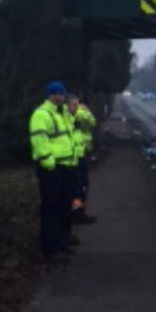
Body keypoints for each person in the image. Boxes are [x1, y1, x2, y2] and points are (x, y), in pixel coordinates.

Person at [29, 82, 75, 262]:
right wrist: (49, 165)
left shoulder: (61, 113)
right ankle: (50, 249)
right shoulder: (42, 114)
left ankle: (60, 243)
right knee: (51, 210)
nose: (58, 97)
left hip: (65, 167)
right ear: (48, 96)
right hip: (52, 169)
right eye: (54, 94)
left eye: (61, 94)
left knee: (64, 208)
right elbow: (39, 141)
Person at [66, 93, 99, 225]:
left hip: (81, 155)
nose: (77, 107)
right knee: (78, 189)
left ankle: (79, 212)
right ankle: (76, 213)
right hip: (74, 159)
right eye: (74, 105)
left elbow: (92, 123)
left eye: (77, 104)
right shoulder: (70, 117)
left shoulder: (75, 117)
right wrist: (84, 111)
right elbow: (92, 121)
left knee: (82, 188)